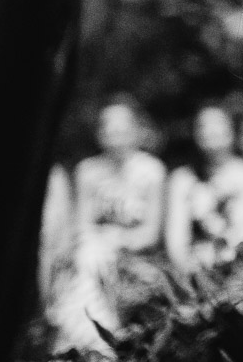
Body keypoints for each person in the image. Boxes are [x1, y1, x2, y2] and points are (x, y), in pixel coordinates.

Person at [44, 98, 169, 349]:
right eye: (108, 129)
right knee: (86, 259)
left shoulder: (152, 170)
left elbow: (151, 233)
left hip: (135, 254)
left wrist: (118, 240)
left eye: (121, 129)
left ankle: (94, 341)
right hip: (95, 252)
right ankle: (86, 340)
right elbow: (82, 226)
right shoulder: (88, 170)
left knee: (92, 262)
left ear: (135, 131)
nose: (115, 135)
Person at [165, 101, 243, 269]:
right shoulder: (182, 180)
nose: (211, 131)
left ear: (232, 130)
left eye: (218, 123)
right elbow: (176, 242)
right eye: (204, 125)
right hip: (196, 270)